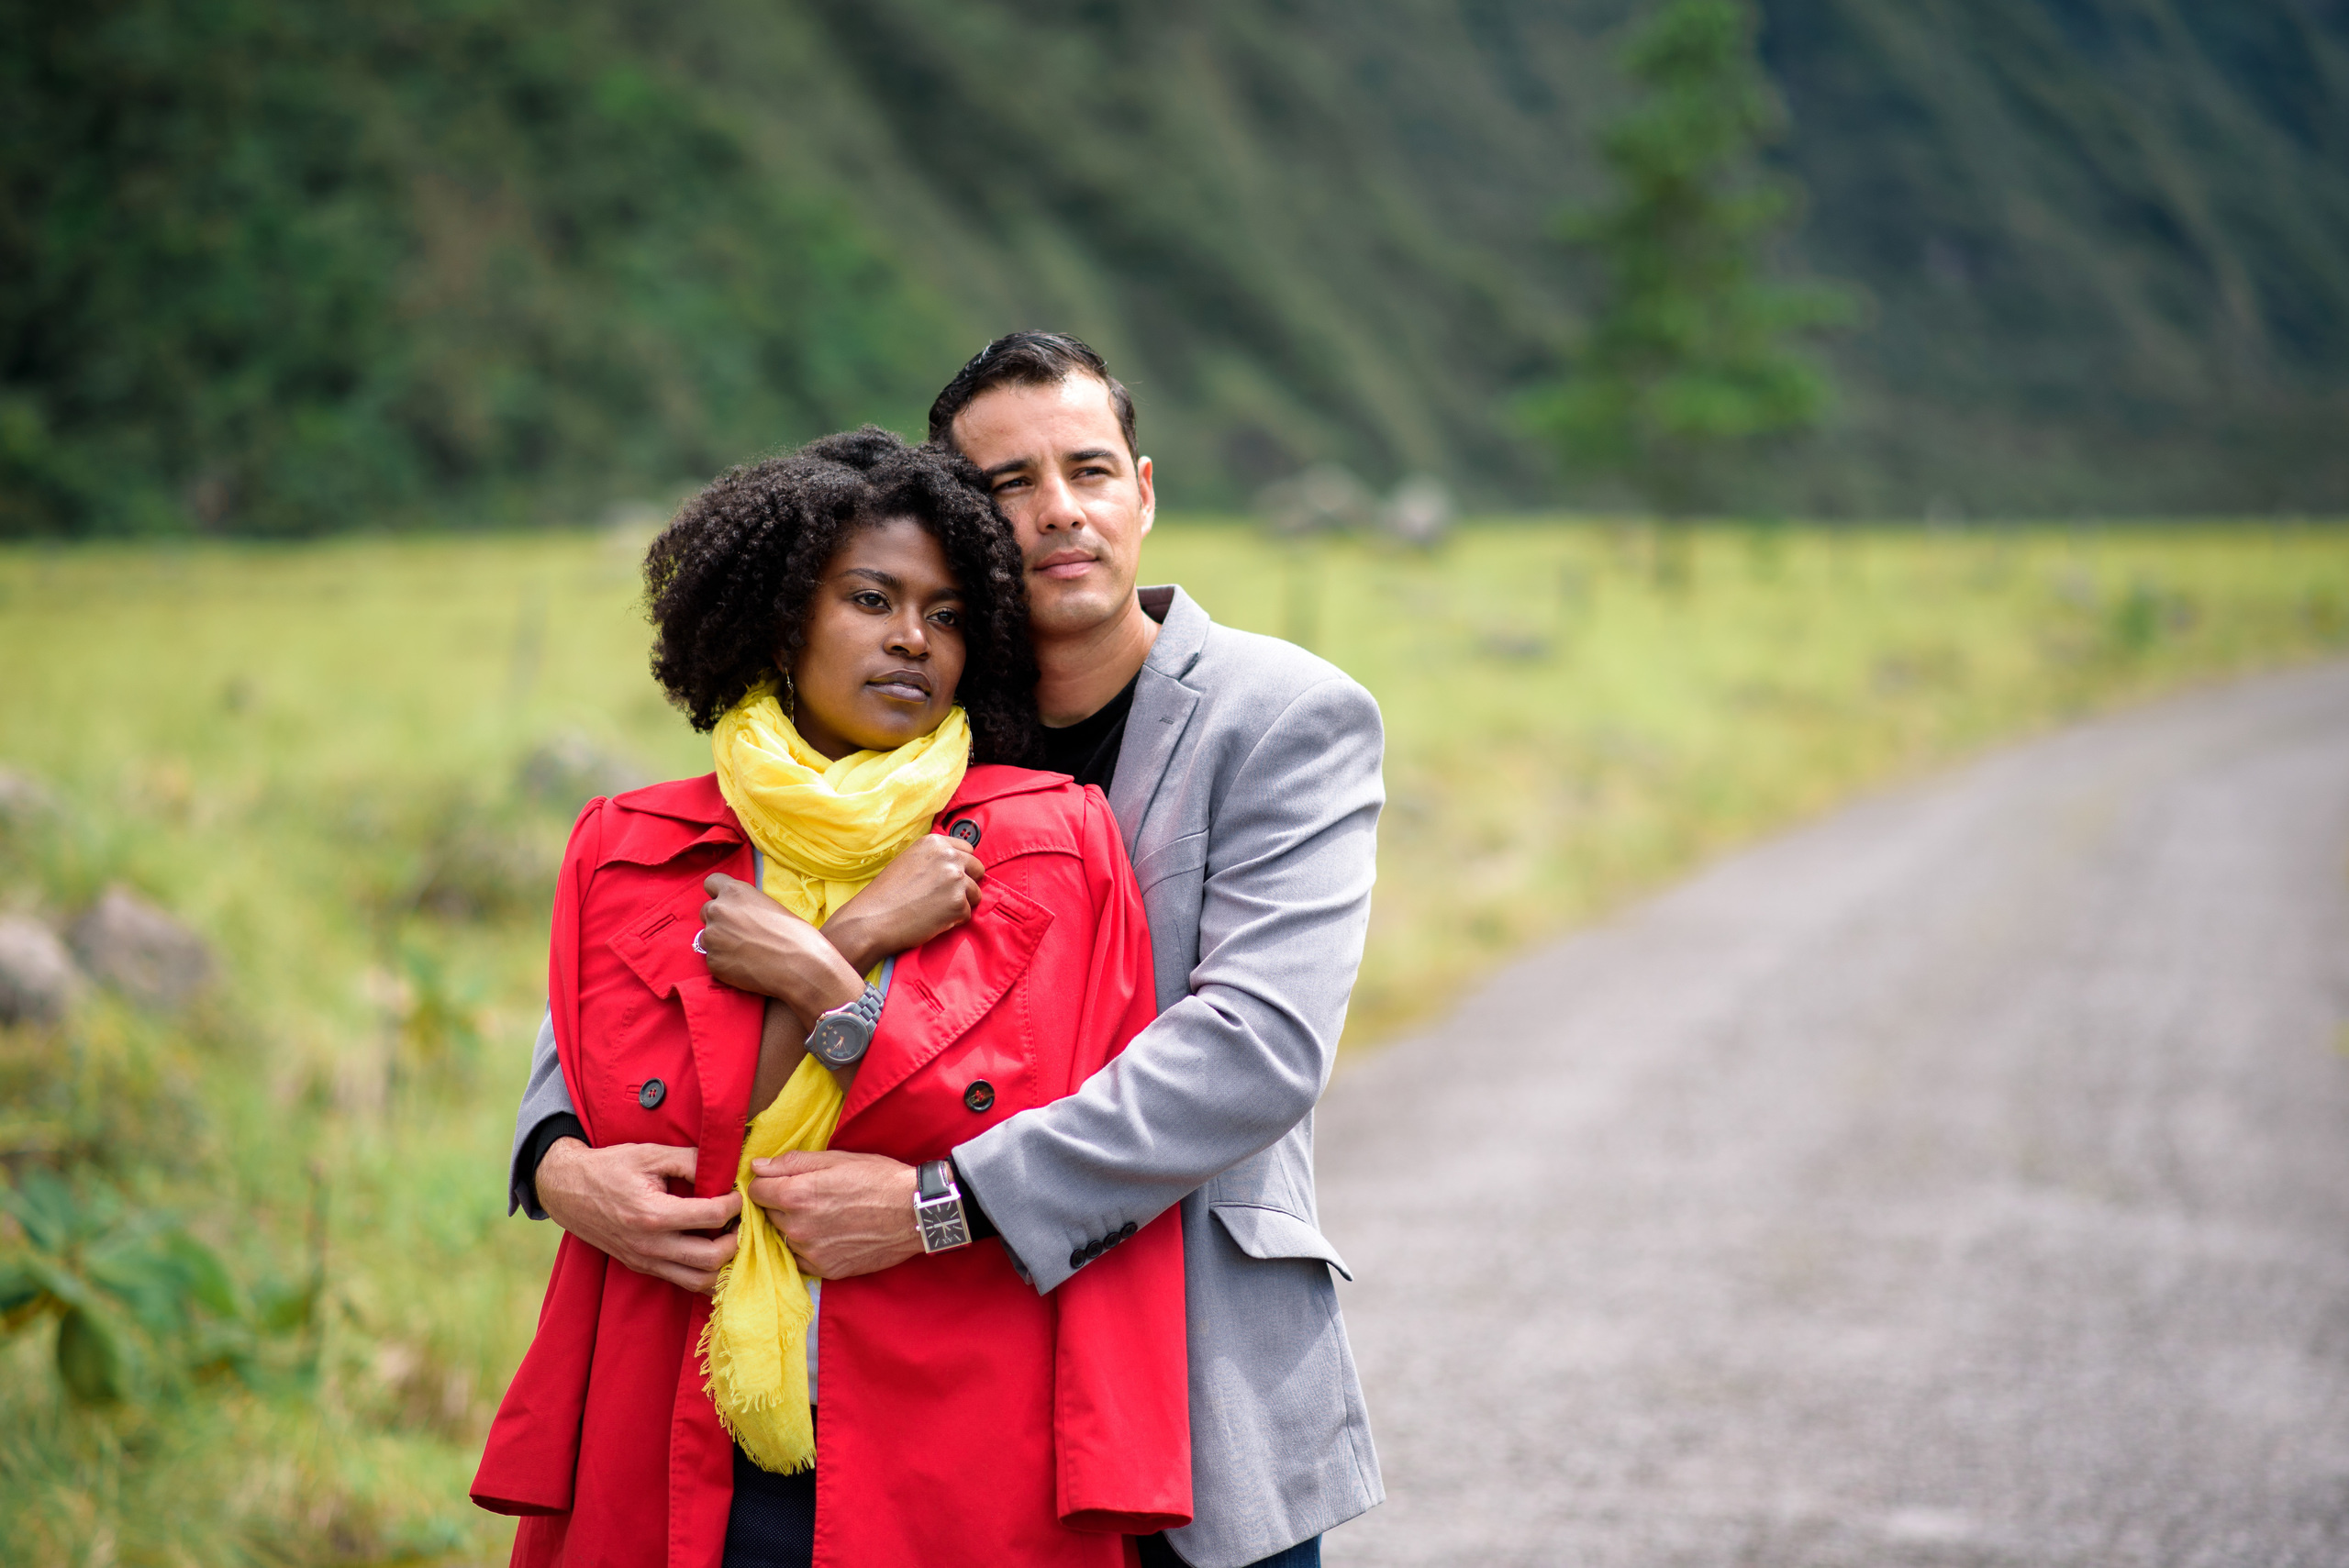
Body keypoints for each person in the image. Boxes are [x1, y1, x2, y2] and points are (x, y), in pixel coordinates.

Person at [510, 334, 1386, 1568]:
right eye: (1010, 485)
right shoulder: (914, 721)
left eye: (1087, 469)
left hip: (1191, 1345)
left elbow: (1254, 1050)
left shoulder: (1282, 717)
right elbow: (650, 969)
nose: (1060, 511)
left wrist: (934, 1202)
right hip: (944, 1379)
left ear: (1143, 488)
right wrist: (552, 1155)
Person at [473, 428, 1190, 1567]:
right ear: (780, 615)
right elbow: (683, 1145)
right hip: (674, 1427)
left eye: (947, 613)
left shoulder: (1048, 843)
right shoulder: (633, 850)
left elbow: (994, 1126)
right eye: (871, 598)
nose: (913, 637)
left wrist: (813, 968)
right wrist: (857, 935)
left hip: (959, 1444)